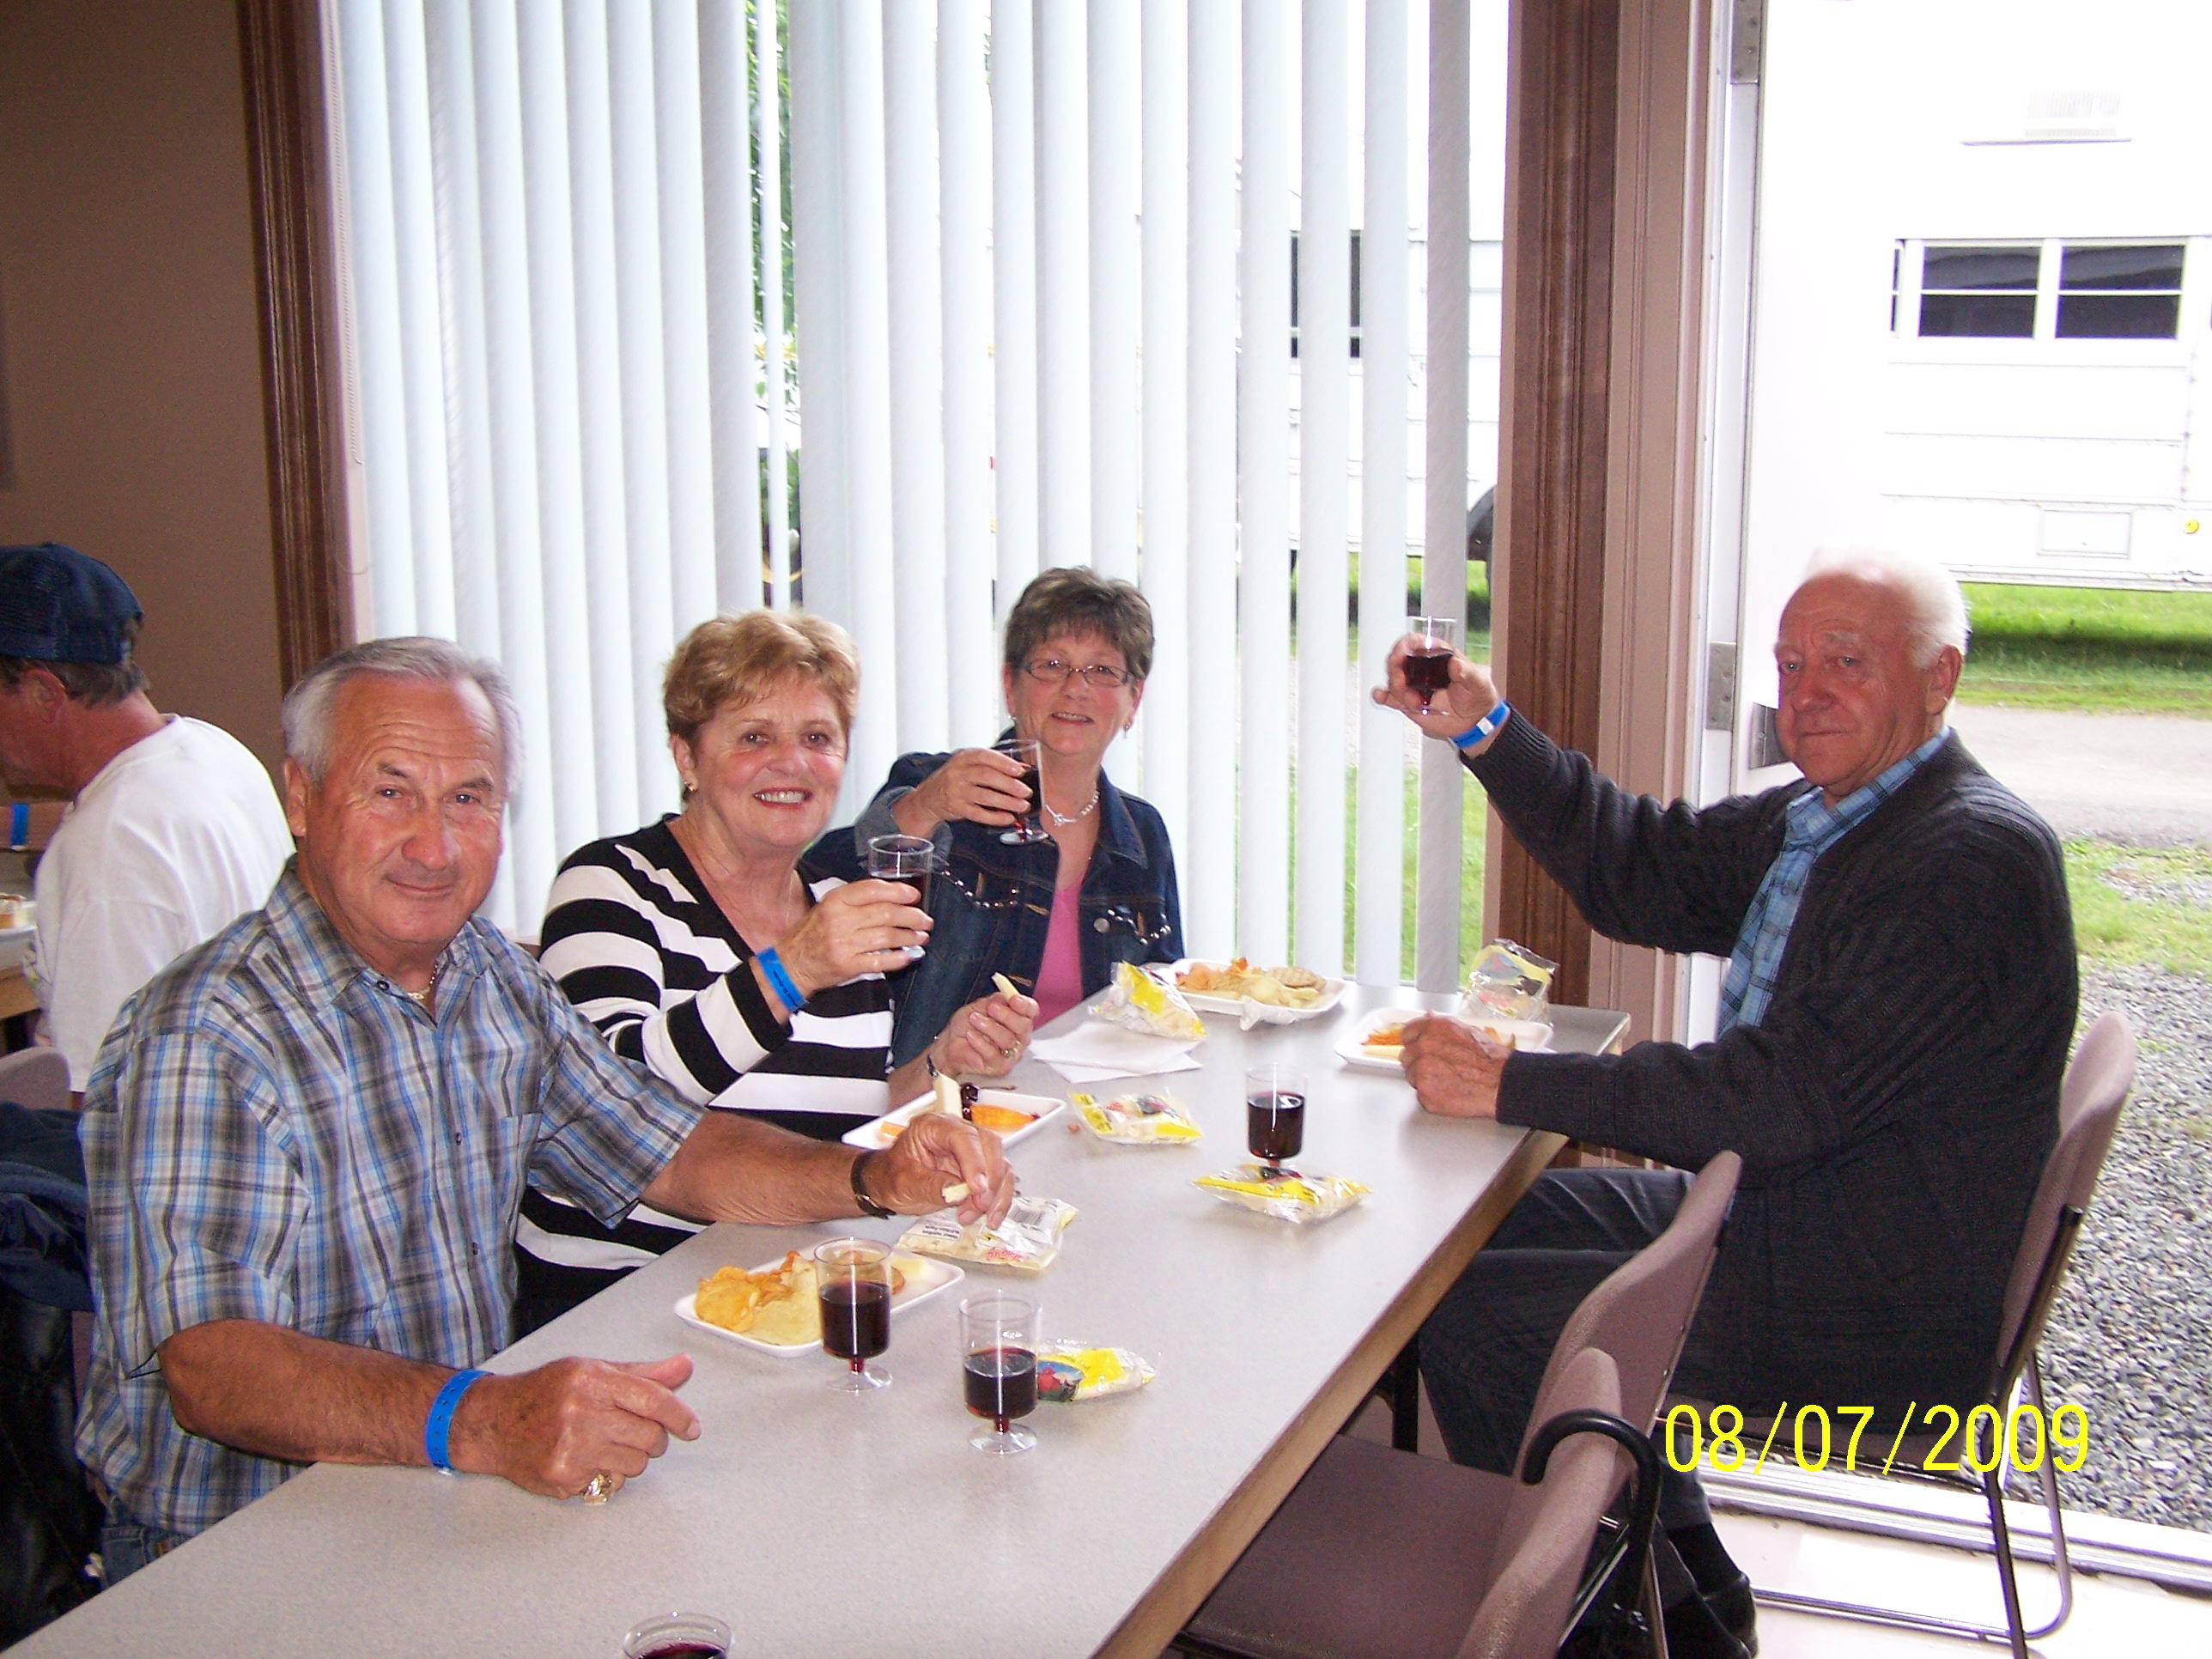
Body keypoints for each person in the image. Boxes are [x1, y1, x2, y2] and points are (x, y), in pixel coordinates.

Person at [73, 638, 1014, 1574]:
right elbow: (213, 1368)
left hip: (447, 1492)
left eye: (468, 799)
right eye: (390, 792)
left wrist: (874, 1179)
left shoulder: (484, 975)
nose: (433, 845)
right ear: (300, 798)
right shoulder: (205, 1034)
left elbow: (668, 1150)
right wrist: (486, 1418)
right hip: (243, 1552)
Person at [1373, 549, 2076, 1658]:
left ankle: (1607, 1623)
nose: (1806, 694)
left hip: (1865, 1292)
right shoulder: (1833, 816)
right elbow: (1643, 871)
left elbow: (1774, 1100)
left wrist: (1508, 1082)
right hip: (1792, 1211)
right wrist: (1485, 729)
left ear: (1937, 678)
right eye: (1790, 666)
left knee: (1478, 1322)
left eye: (1845, 662)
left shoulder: (1963, 862)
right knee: (1460, 1237)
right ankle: (1688, 1586)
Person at [516, 611, 1036, 1332]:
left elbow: (838, 1121)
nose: (792, 764)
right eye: (754, 736)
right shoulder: (612, 885)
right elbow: (612, 1106)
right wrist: (793, 968)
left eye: (818, 738)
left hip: (783, 1300)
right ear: (687, 757)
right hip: (619, 1309)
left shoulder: (835, 902)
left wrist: (939, 1063)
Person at [839, 568, 1182, 1063]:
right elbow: (825, 891)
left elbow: (1166, 998)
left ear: (1134, 700)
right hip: (944, 1098)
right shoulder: (935, 788)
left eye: (1104, 671)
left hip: (1092, 1098)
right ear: (1010, 686)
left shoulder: (1142, 835)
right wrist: (927, 806)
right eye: (1052, 664)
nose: (1076, 688)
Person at [0, 544, 291, 1097]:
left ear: (42, 692)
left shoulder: (106, 852)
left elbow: (100, 1107)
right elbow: (113, 820)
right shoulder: (207, 750)